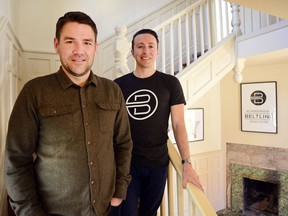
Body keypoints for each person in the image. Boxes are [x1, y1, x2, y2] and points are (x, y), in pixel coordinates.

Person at [4, 11, 132, 216]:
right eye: (70, 41)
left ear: (96, 48)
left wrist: (120, 189)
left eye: (87, 42)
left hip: (106, 209)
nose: (79, 50)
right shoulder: (34, 92)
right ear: (57, 44)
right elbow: (16, 160)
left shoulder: (112, 91)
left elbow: (123, 143)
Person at [114, 29, 204, 216]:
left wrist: (186, 162)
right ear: (132, 52)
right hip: (126, 164)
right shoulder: (118, 85)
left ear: (157, 51)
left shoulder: (170, 83)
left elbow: (179, 125)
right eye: (140, 46)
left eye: (150, 46)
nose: (145, 51)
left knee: (149, 213)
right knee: (126, 212)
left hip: (157, 163)